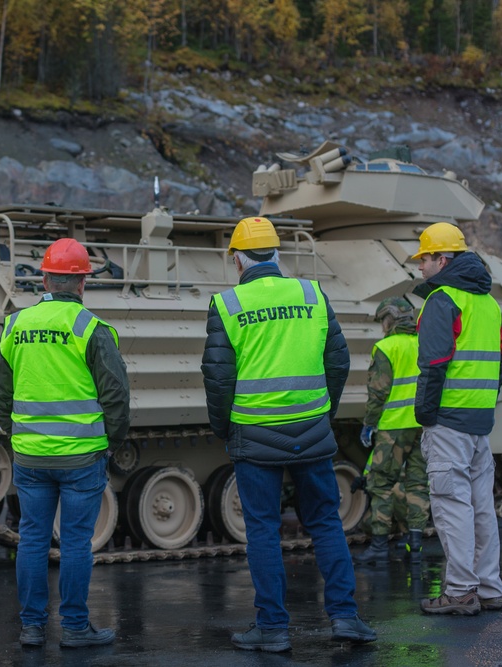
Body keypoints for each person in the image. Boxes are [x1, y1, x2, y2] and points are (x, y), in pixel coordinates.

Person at [201, 216, 376, 652]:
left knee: (262, 529)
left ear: (238, 259)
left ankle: (273, 629)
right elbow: (338, 362)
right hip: (312, 431)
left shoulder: (227, 304)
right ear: (277, 254)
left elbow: (218, 379)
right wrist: (321, 413)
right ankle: (346, 619)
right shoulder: (312, 294)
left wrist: (226, 428)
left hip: (255, 435)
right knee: (326, 523)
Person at [0, 237, 131, 648]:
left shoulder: (16, 324)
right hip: (82, 456)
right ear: (82, 283)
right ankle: (74, 628)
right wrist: (110, 441)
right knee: (74, 543)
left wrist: (15, 432)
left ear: (45, 279)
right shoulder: (91, 328)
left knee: (32, 538)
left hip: (30, 456)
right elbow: (116, 394)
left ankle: (32, 628)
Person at [412, 222, 502, 615]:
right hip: (479, 421)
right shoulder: (489, 303)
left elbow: (433, 363)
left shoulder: (443, 300)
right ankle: (488, 588)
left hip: (448, 420)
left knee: (452, 505)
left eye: (424, 258)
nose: (420, 267)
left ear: (442, 259)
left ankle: (460, 591)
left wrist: (425, 413)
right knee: (481, 505)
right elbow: (501, 361)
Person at [355, 297, 430, 565]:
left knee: (381, 483)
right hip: (423, 425)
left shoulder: (386, 347)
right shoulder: (424, 343)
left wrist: (369, 424)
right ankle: (416, 545)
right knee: (418, 483)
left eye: (383, 321)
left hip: (394, 426)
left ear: (390, 320)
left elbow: (378, 392)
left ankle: (378, 546)